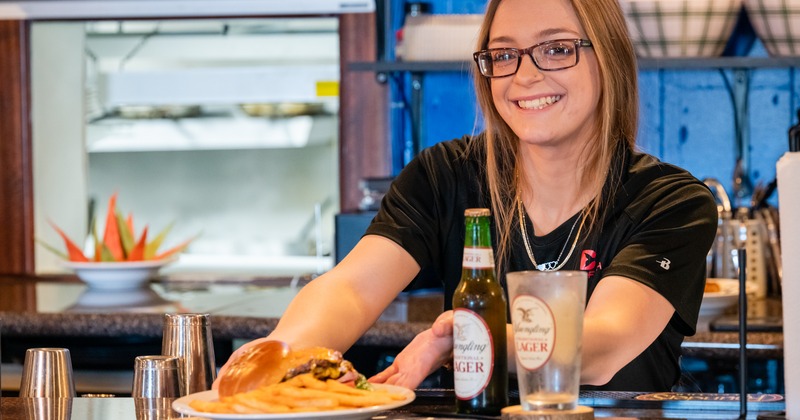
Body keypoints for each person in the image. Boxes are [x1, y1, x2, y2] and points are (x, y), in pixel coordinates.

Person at [216, 0, 718, 392]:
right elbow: (349, 288)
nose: (524, 75)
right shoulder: (446, 175)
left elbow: (602, 345)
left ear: (606, 54)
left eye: (556, 48)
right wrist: (279, 355)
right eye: (503, 54)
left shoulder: (670, 202)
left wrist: (463, 342)